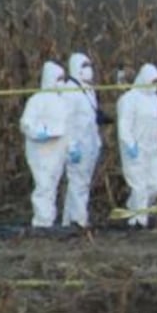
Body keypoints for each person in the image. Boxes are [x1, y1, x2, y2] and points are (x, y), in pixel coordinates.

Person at [116, 63, 157, 227]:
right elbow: (124, 125)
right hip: (135, 150)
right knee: (139, 186)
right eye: (152, 81)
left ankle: (133, 208)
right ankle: (138, 222)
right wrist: (129, 144)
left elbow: (155, 122)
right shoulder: (129, 99)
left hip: (153, 149)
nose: (155, 85)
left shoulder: (154, 99)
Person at [19, 61, 70, 228]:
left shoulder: (63, 102)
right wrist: (37, 132)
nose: (61, 82)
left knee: (52, 184)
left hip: (57, 150)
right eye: (58, 78)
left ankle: (48, 219)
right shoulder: (37, 100)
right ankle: (42, 221)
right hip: (40, 150)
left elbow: (68, 127)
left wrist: (72, 146)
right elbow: (26, 123)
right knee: (43, 185)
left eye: (63, 78)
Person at [61, 52, 107, 227]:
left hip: (90, 144)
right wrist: (71, 146)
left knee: (82, 183)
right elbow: (66, 120)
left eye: (90, 65)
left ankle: (69, 220)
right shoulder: (69, 91)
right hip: (77, 146)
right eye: (85, 66)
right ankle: (80, 220)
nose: (89, 70)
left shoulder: (88, 90)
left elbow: (89, 118)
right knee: (78, 182)